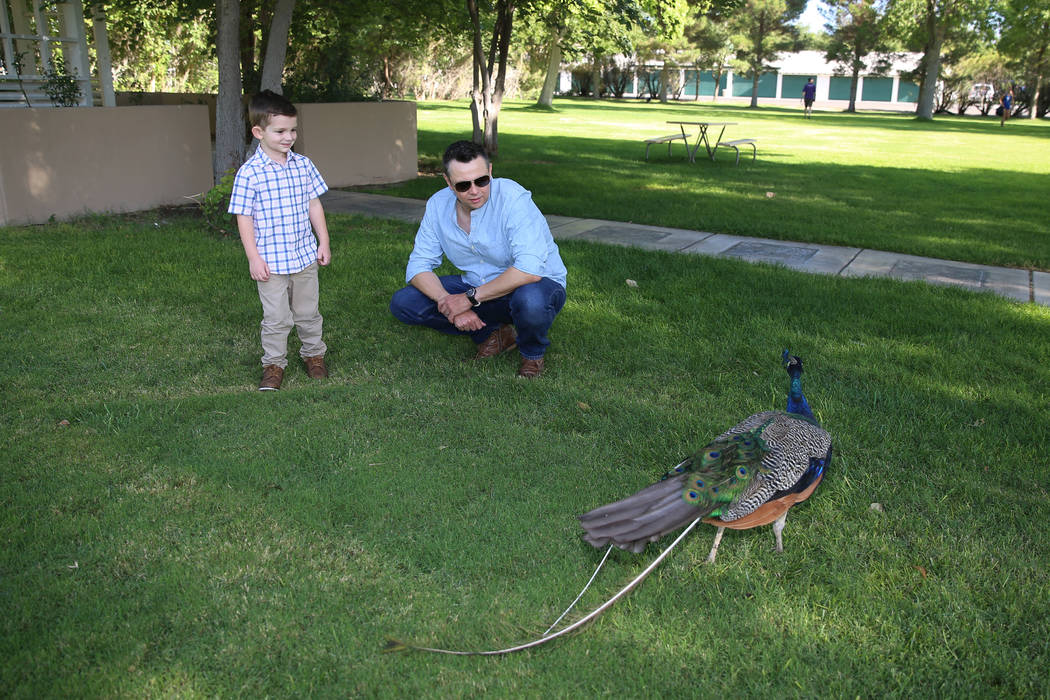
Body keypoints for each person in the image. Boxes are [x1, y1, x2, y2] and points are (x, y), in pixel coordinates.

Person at [390, 140, 567, 379]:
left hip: (534, 285)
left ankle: (532, 354)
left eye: (482, 181)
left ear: (490, 171)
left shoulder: (513, 198)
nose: (474, 191)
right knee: (405, 302)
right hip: (477, 285)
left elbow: (529, 270)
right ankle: (493, 335)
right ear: (448, 182)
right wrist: (448, 303)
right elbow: (418, 266)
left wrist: (467, 299)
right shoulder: (437, 205)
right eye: (463, 185)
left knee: (531, 301)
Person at [228, 89, 332, 391]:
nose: (289, 137)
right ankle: (274, 364)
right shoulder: (250, 174)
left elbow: (314, 205)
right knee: (276, 318)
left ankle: (314, 356)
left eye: (293, 130)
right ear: (259, 132)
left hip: (303, 257)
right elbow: (243, 217)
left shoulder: (303, 165)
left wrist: (322, 241)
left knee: (308, 313)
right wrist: (253, 258)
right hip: (270, 263)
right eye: (281, 131)